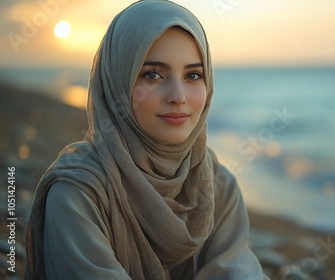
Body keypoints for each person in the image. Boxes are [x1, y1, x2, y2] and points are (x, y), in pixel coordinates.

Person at [24, 0, 269, 279]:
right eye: (152, 74)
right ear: (118, 80)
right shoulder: (79, 193)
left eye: (193, 75)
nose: (178, 96)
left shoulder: (216, 186)